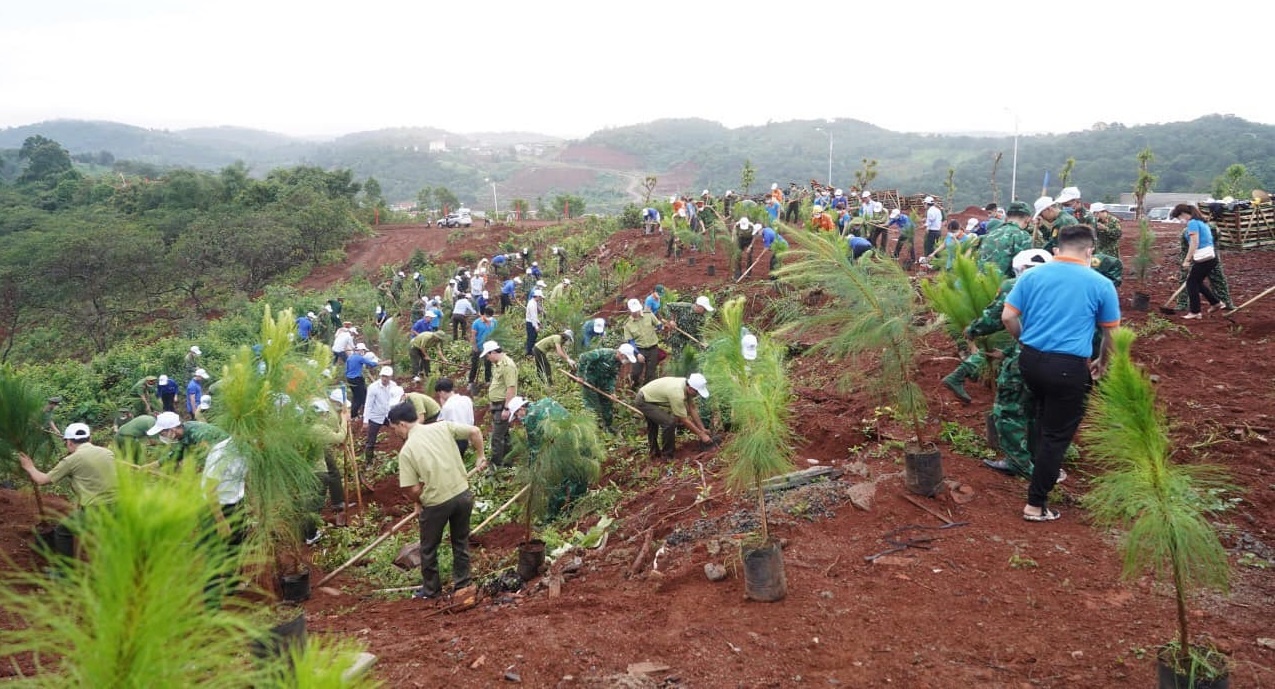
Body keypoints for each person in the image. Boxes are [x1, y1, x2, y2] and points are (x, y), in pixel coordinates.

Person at [1003, 225, 1120, 522]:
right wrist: (1102, 363)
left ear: (1057, 247)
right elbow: (1112, 335)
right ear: (1090, 250)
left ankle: (1045, 470)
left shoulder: (1032, 275)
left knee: (1044, 420)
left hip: (1031, 361)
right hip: (1068, 368)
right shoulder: (1101, 283)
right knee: (1057, 435)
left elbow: (1008, 316)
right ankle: (1035, 504)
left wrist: (1024, 341)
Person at [966, 249, 1052, 478]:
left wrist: (971, 331)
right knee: (1037, 410)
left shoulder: (1016, 285)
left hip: (1025, 357)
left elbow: (996, 318)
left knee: (1008, 409)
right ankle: (1037, 458)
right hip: (1059, 359)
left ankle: (1018, 463)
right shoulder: (1065, 287)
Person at [389, 401, 486, 601]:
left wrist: (419, 500)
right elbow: (475, 431)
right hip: (462, 494)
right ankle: (463, 583)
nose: (395, 433)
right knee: (460, 541)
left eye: (394, 429)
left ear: (402, 425)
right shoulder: (443, 426)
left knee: (428, 548)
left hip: (436, 503)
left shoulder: (407, 451)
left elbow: (410, 488)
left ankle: (432, 590)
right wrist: (480, 456)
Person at [18, 423, 118, 559]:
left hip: (96, 509)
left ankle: (64, 572)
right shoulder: (108, 453)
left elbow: (42, 480)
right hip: (119, 504)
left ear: (69, 443)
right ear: (90, 439)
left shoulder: (72, 460)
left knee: (62, 531)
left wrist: (29, 467)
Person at [505, 395, 592, 516]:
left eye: (516, 415)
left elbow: (535, 448)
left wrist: (534, 469)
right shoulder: (545, 401)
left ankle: (553, 516)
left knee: (557, 481)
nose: (518, 419)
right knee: (578, 471)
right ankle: (577, 501)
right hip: (576, 435)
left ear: (521, 409)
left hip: (561, 446)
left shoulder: (530, 418)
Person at [635, 374, 713, 460]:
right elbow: (684, 420)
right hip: (643, 400)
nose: (697, 394)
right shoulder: (677, 393)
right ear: (690, 388)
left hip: (649, 396)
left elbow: (692, 408)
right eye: (697, 392)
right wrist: (701, 435)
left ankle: (654, 453)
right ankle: (667, 456)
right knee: (669, 423)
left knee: (655, 424)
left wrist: (702, 429)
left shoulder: (685, 384)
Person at [1174, 204, 1224, 319]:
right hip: (1211, 257)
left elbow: (1194, 243)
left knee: (1191, 283)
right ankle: (1216, 303)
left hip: (1203, 258)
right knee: (1197, 282)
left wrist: (1187, 260)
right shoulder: (1201, 222)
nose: (1181, 220)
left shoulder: (1192, 223)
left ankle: (1195, 311)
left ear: (1183, 214)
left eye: (1179, 218)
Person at [577, 343, 637, 433]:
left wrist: (611, 392)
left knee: (607, 404)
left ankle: (608, 427)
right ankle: (589, 429)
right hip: (589, 381)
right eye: (627, 358)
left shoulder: (618, 363)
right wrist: (580, 376)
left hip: (603, 384)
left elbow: (612, 377)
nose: (627, 361)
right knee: (591, 406)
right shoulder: (603, 353)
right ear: (621, 354)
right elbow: (583, 357)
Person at [146, 410, 230, 466]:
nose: (162, 436)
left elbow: (205, 458)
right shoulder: (183, 432)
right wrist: (154, 465)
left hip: (227, 455)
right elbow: (176, 454)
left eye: (162, 433)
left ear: (172, 429)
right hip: (216, 456)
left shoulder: (198, 434)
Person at [481, 341, 518, 466]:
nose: (487, 358)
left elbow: (511, 388)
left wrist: (507, 408)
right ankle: (507, 461)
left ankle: (496, 465)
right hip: (498, 404)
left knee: (497, 437)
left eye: (488, 355)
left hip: (503, 405)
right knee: (505, 434)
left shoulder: (508, 365)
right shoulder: (498, 364)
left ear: (493, 352)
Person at [978, 201, 1034, 277]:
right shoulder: (1023, 236)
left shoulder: (990, 234)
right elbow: (1024, 268)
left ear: (1006, 218)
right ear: (1028, 219)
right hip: (1005, 286)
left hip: (982, 284)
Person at [362, 367, 404, 468]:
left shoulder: (393, 385)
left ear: (390, 377)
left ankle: (404, 454)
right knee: (371, 441)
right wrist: (365, 420)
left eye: (387, 377)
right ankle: (368, 462)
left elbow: (396, 399)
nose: (385, 379)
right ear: (380, 376)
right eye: (383, 376)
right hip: (375, 416)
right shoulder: (373, 387)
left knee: (402, 431)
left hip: (388, 414)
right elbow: (368, 404)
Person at [622, 298, 663, 388]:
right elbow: (631, 342)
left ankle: (645, 390)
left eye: (637, 309)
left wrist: (660, 326)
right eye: (634, 310)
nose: (636, 312)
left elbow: (658, 324)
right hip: (639, 350)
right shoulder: (628, 325)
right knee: (636, 372)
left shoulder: (648, 315)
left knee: (650, 373)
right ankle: (634, 384)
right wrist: (638, 354)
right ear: (629, 310)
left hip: (653, 348)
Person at [436, 377, 476, 454]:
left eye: (439, 394)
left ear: (442, 392)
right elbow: (471, 419)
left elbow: (441, 424)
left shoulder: (447, 407)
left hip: (455, 440)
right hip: (466, 434)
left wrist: (443, 405)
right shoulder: (466, 399)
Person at [345, 344, 380, 419]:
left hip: (350, 379)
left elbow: (347, 369)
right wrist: (380, 363)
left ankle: (356, 413)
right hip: (357, 379)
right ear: (360, 350)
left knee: (356, 396)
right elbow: (371, 364)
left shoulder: (350, 358)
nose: (363, 352)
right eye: (363, 350)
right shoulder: (359, 358)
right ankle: (355, 415)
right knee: (360, 398)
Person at [468, 307, 498, 387]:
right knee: (475, 364)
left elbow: (496, 333)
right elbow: (473, 336)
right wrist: (475, 347)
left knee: (488, 364)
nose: (489, 319)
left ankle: (487, 381)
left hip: (489, 347)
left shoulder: (494, 321)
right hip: (478, 347)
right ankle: (471, 382)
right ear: (484, 314)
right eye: (487, 317)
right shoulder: (476, 323)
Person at [524, 289, 544, 356]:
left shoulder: (534, 302)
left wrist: (538, 323)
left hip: (532, 322)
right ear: (537, 296)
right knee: (531, 338)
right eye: (540, 297)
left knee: (533, 337)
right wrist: (536, 326)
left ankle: (530, 350)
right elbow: (533, 316)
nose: (540, 299)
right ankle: (529, 352)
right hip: (530, 323)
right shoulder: (532, 304)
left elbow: (535, 316)